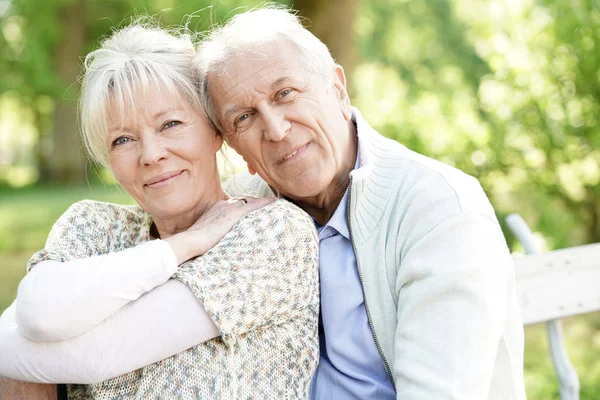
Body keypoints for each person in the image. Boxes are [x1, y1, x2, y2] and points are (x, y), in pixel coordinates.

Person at [194, 6, 527, 400]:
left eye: (285, 93)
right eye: (245, 117)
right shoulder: (240, 216)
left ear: (337, 89)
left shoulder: (439, 209)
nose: (277, 130)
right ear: (235, 148)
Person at [0, 20, 319, 399]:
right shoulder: (93, 226)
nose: (151, 155)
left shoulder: (272, 231)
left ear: (216, 130)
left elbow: (97, 355)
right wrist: (185, 243)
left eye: (170, 124)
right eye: (123, 140)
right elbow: (39, 314)